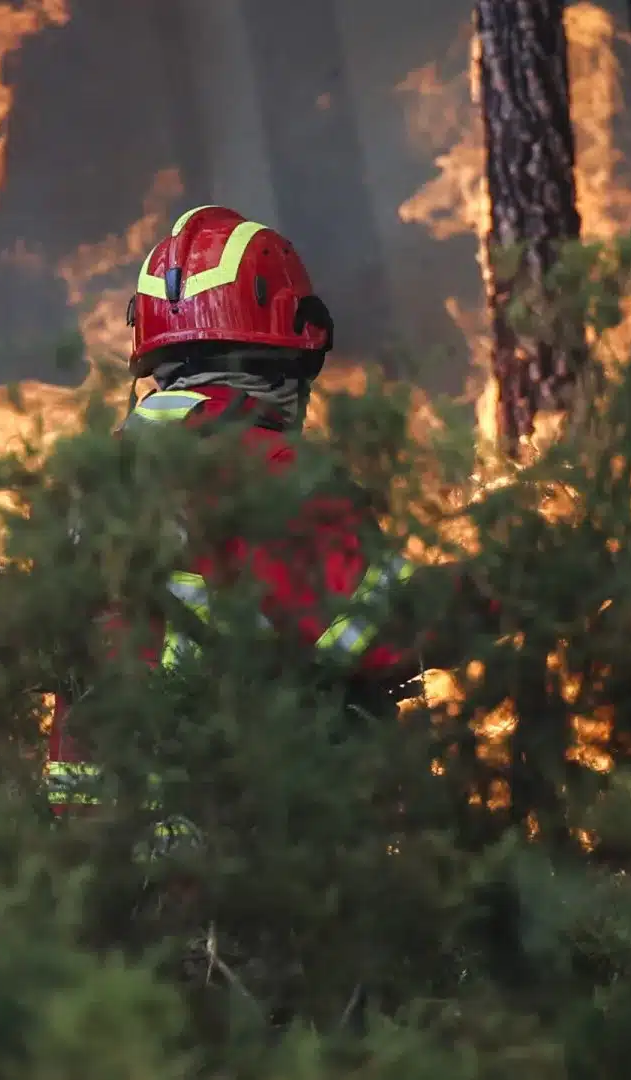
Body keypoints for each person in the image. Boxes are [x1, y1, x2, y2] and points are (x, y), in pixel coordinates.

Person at [44, 206, 454, 851]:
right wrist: (526, 580)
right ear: (295, 351)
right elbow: (383, 632)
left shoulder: (93, 476)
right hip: (237, 857)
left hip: (92, 858)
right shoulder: (273, 472)